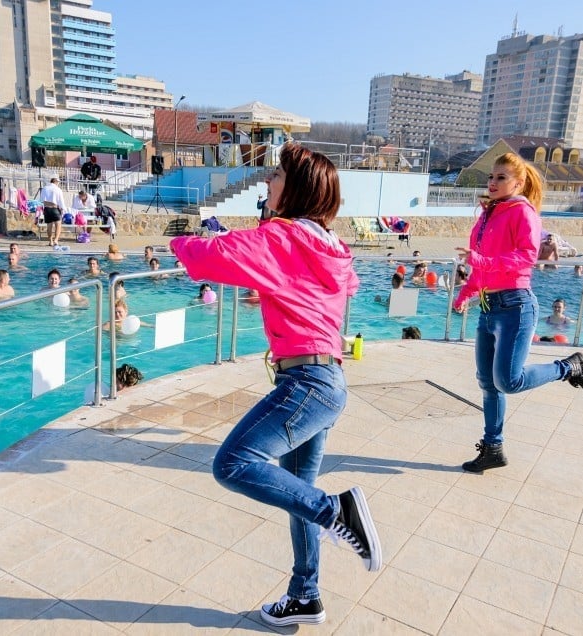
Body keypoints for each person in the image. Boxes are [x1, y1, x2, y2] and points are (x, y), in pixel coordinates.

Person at [170, 143, 381, 627]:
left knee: (233, 463)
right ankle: (306, 595)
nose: (268, 182)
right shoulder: (327, 245)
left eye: (277, 177)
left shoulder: (282, 239)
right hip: (327, 380)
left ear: (298, 189)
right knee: (296, 488)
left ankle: (337, 511)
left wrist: (177, 241)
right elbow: (335, 286)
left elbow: (207, 257)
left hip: (306, 383)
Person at [453, 152, 583, 473]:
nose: (492, 182)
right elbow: (481, 265)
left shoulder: (523, 213)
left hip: (516, 306)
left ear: (518, 183)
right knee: (487, 384)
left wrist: (481, 263)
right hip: (489, 307)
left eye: (501, 177)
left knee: (509, 381)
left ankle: (568, 367)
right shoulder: (487, 215)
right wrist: (465, 293)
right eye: (491, 176)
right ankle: (493, 448)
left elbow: (525, 258)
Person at [40, 177, 68, 247]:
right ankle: (56, 240)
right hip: (54, 208)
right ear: (56, 182)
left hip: (46, 209)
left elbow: (41, 199)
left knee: (49, 226)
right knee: (58, 225)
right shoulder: (58, 189)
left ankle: (50, 241)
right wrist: (63, 209)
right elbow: (61, 201)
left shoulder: (45, 188)